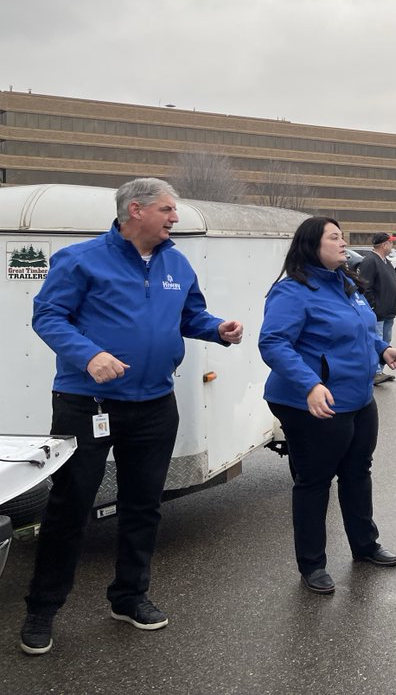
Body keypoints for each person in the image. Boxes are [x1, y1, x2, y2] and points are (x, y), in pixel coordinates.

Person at [19, 178, 245, 656]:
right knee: (70, 506)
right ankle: (42, 607)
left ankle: (129, 595)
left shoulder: (176, 263)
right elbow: (48, 316)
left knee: (144, 505)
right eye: (166, 209)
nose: (174, 218)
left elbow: (190, 315)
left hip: (155, 405)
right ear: (135, 211)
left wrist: (217, 328)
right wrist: (88, 355)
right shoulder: (80, 259)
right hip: (88, 404)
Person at [259, 217, 396, 595]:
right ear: (312, 245)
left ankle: (365, 545)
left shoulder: (345, 284)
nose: (343, 243)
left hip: (357, 398)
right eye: (334, 237)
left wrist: (383, 349)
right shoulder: (292, 291)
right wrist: (310, 384)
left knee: (358, 471)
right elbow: (273, 343)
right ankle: (312, 564)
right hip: (312, 402)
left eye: (343, 237)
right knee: (314, 481)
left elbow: (360, 331)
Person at [357, 231, 396, 384]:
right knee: (377, 341)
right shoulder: (370, 261)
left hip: (388, 313)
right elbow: (365, 286)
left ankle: (379, 370)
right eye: (391, 242)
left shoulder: (386, 261)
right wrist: (373, 308)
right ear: (384, 244)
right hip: (378, 313)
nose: (392, 245)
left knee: (385, 342)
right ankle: (374, 372)